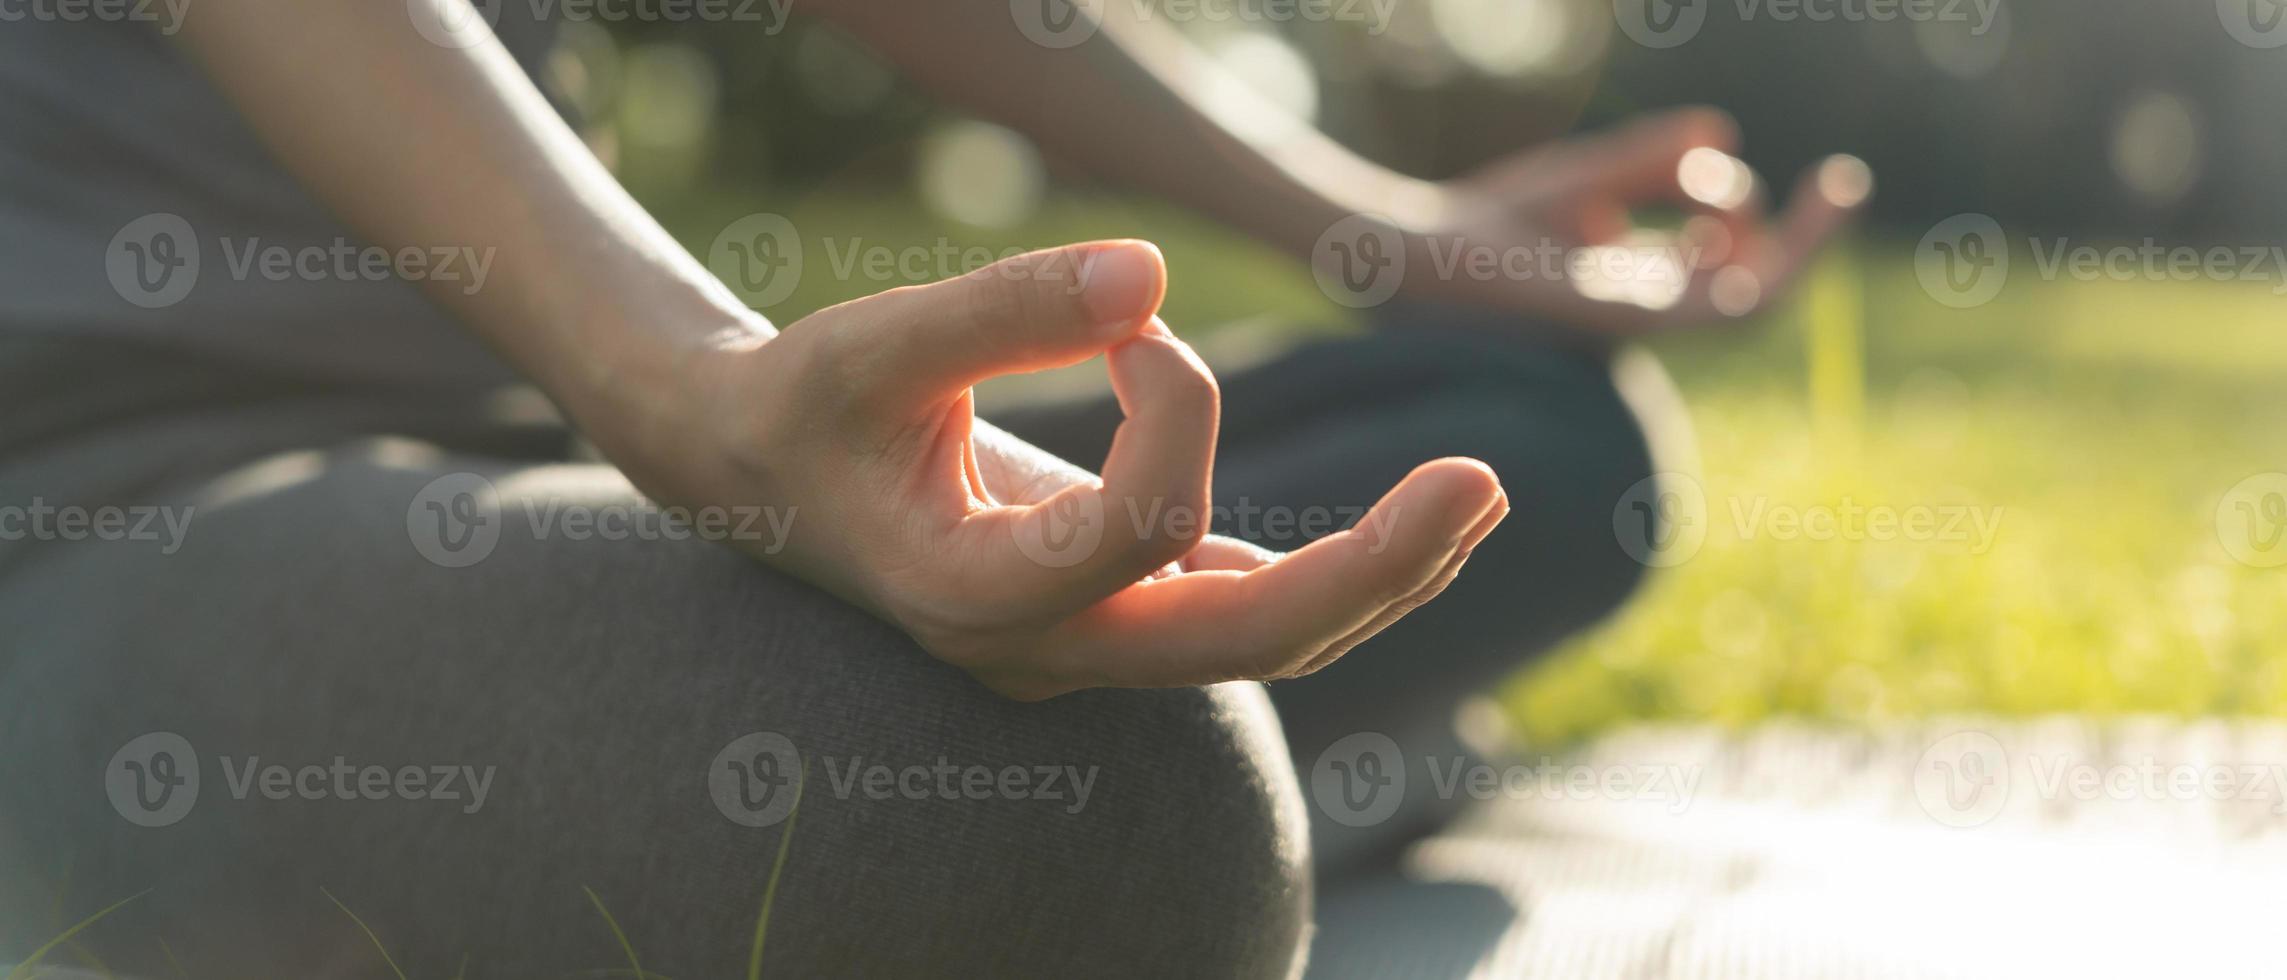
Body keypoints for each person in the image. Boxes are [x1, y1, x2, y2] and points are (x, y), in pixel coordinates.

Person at [0, 1, 1866, 976]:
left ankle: (1356, 745)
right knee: (1138, 815)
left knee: (1543, 431)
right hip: (118, 499)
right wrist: (689, 392)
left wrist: (1394, 239)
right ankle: (1357, 755)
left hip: (547, 448)